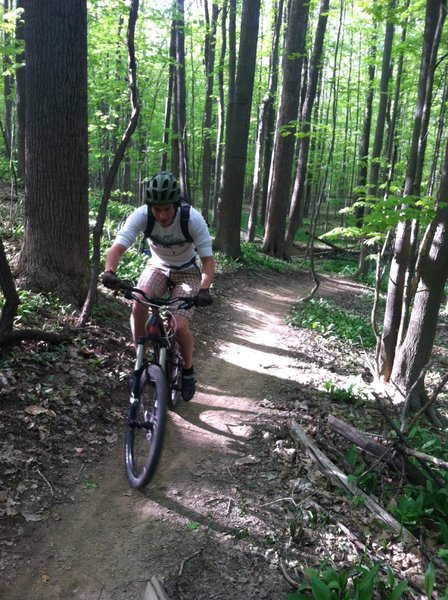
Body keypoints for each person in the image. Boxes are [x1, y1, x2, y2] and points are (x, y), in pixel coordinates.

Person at [102, 171, 215, 401]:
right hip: (157, 266)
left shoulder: (192, 219)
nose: (161, 215)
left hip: (187, 272)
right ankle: (140, 364)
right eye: (157, 209)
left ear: (175, 205)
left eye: (166, 209)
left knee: (180, 326)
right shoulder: (142, 215)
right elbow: (117, 248)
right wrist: (109, 271)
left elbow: (208, 261)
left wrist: (204, 289)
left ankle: (188, 370)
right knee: (138, 304)